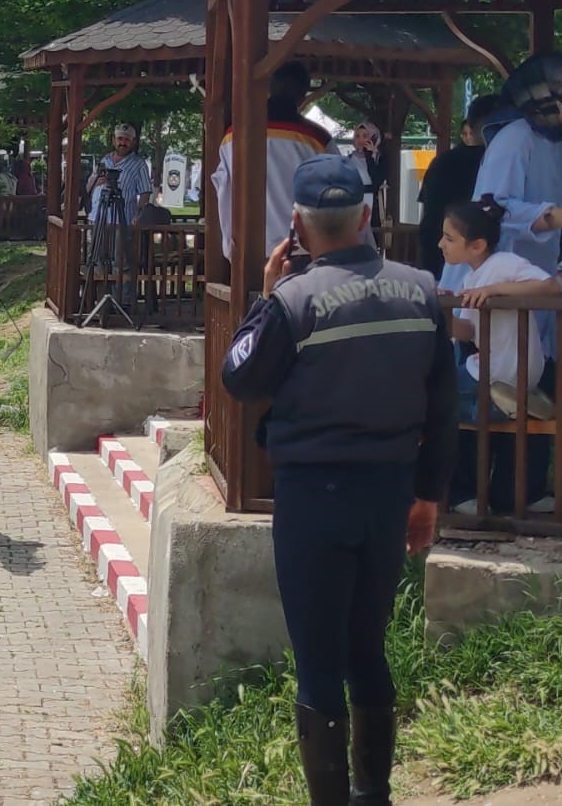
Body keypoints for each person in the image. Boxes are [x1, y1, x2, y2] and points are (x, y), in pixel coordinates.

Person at [221, 154, 454, 806]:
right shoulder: (421, 290)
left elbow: (238, 378)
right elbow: (441, 410)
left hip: (311, 500)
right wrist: (427, 498)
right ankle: (372, 793)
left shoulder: (292, 302)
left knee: (319, 661)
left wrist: (265, 296)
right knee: (366, 650)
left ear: (295, 222)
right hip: (387, 496)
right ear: (366, 215)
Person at [440, 198, 562, 514]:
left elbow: (550, 287)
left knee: (438, 402)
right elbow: (468, 332)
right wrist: (443, 311)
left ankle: (460, 494)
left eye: (449, 238)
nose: (441, 244)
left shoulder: (504, 264)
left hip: (495, 375)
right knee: (516, 413)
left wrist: (497, 290)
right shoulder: (472, 277)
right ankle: (519, 495)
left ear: (477, 245)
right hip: (507, 372)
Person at [212, 61, 348, 261]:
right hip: (303, 252)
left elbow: (223, 188)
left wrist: (229, 245)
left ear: (269, 88)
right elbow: (340, 193)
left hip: (247, 252)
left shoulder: (233, 136)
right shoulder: (318, 139)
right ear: (303, 95)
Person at [417, 94, 502, 279]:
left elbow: (428, 213)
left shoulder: (442, 162)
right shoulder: (497, 160)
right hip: (486, 260)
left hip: (440, 253)